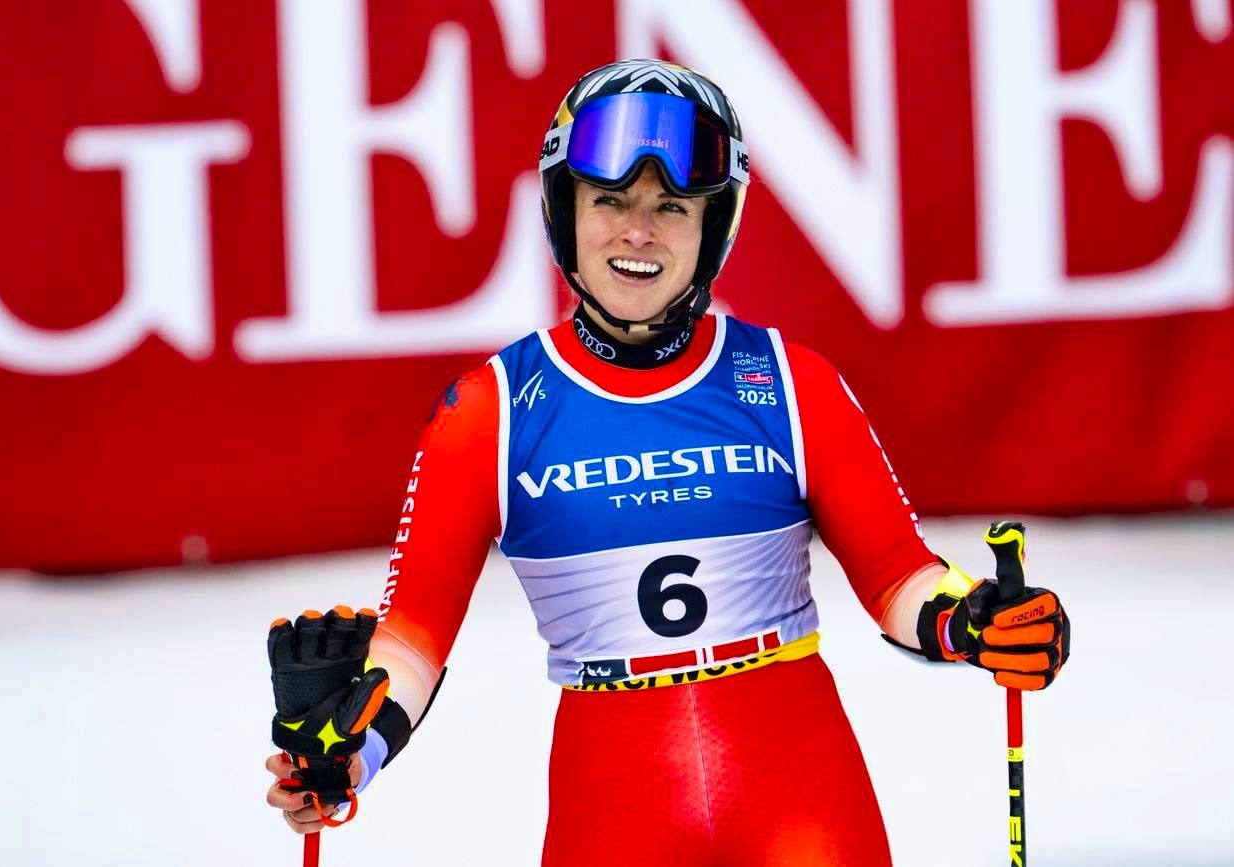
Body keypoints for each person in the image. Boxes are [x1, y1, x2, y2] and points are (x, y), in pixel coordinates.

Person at [263, 59, 1071, 865]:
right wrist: (346, 754)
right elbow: (412, 640)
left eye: (672, 207)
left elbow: (900, 576)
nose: (638, 232)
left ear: (714, 227)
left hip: (801, 797)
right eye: (609, 199)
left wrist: (976, 621)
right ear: (564, 210)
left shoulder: (792, 384)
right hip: (614, 806)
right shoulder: (489, 412)